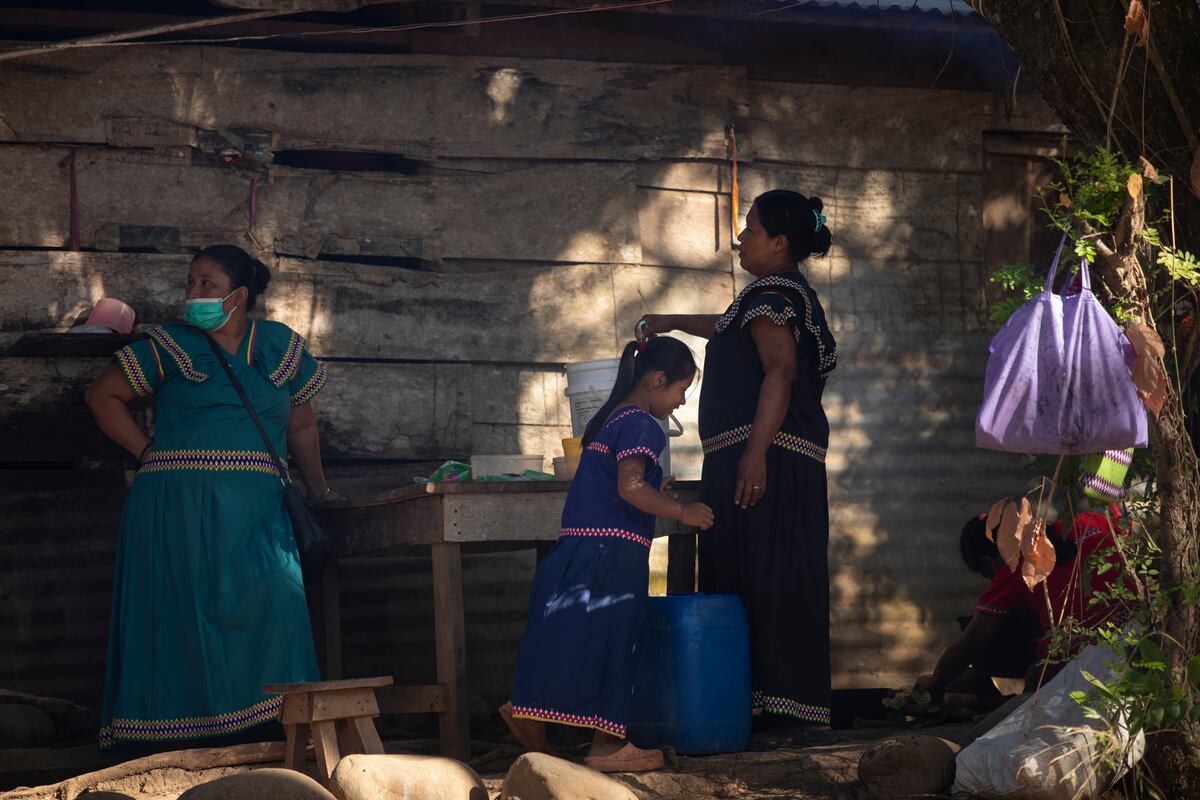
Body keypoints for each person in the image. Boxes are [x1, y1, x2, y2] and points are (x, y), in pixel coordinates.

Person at [85, 245, 337, 750]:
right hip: (174, 506)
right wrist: (146, 451)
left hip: (260, 509)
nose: (193, 293)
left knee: (273, 606)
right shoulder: (168, 346)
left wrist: (320, 491)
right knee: (181, 612)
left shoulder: (279, 347)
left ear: (239, 295)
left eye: (207, 284)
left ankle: (272, 732)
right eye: (191, 282)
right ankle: (174, 741)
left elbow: (302, 425)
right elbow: (102, 396)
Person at [637, 189, 837, 750]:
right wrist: (670, 319)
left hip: (766, 460)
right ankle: (762, 709)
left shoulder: (773, 293)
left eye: (749, 230)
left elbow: (780, 372)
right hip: (762, 458)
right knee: (753, 579)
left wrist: (754, 452)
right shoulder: (772, 296)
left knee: (771, 581)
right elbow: (728, 325)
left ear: (779, 243)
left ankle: (790, 717)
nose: (740, 239)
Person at [499, 337, 714, 773]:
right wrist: (681, 510)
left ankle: (528, 709)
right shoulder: (642, 426)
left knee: (566, 640)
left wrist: (657, 489)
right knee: (616, 644)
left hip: (581, 550)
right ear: (657, 380)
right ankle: (607, 748)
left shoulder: (610, 420)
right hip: (610, 556)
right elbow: (630, 487)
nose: (681, 401)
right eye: (680, 390)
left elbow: (625, 484)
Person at [915, 507, 1135, 703]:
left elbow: (968, 646)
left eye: (986, 575)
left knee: (1034, 680)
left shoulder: (1015, 565)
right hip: (1138, 640)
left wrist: (934, 684)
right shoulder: (1090, 521)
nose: (992, 581)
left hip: (1081, 665)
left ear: (988, 562)